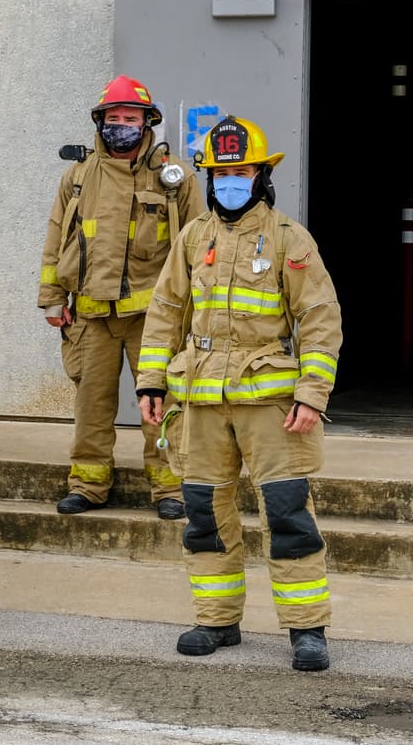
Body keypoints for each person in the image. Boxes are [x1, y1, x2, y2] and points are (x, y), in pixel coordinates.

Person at [137, 115, 342, 672]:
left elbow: (320, 320)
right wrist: (151, 380)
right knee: (204, 513)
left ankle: (307, 629)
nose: (230, 180)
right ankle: (217, 620)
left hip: (272, 407)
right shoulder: (193, 237)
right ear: (208, 176)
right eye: (221, 172)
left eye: (241, 170)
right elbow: (164, 314)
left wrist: (311, 394)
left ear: (261, 175)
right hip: (200, 403)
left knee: (288, 514)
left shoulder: (287, 238)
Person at [37, 75, 202, 519]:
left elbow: (199, 246)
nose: (122, 125)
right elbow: (57, 239)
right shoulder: (76, 177)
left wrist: (197, 310)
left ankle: (169, 488)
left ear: (148, 123)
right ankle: (88, 484)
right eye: (115, 118)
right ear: (101, 122)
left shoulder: (175, 178)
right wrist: (53, 299)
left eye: (131, 118)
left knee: (162, 402)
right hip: (90, 315)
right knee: (91, 405)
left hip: (154, 317)